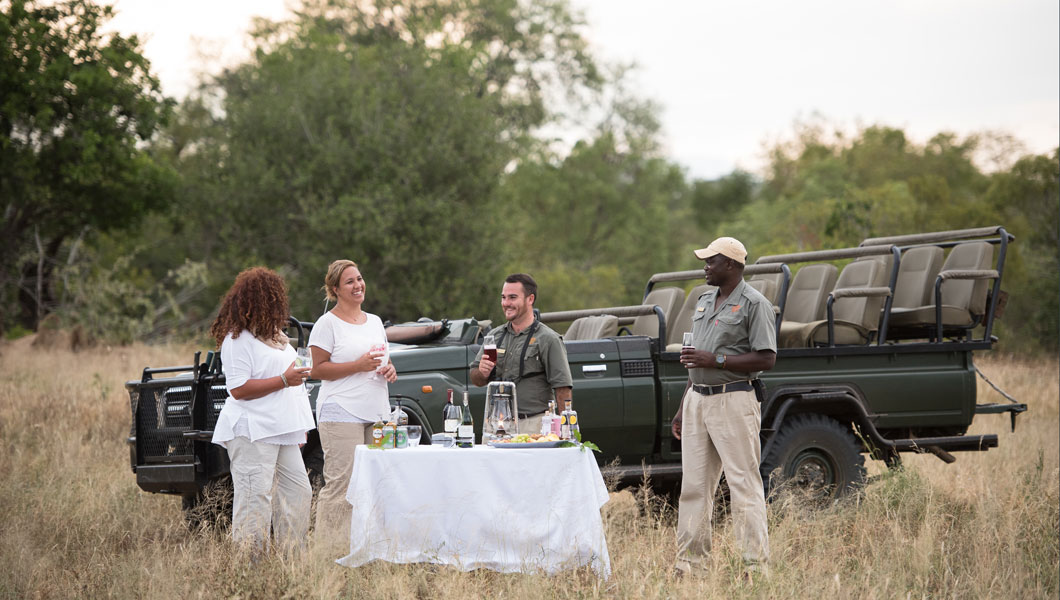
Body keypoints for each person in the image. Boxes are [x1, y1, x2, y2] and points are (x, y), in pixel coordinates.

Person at [670, 237, 777, 580]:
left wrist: (716, 360)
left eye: (710, 261)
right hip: (698, 400)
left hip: (734, 398)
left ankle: (755, 569)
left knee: (743, 485)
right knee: (695, 487)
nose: (705, 267)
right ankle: (690, 567)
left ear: (730, 265)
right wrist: (684, 404)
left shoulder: (754, 304)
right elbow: (695, 357)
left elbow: (767, 357)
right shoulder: (703, 300)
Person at [209, 267, 316, 554]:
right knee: (255, 500)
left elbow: (293, 382)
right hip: (252, 429)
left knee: (298, 494)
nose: (277, 307)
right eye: (270, 301)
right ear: (253, 303)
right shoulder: (237, 341)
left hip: (283, 429)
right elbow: (238, 389)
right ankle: (248, 572)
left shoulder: (277, 337)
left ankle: (291, 564)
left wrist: (299, 424)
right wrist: (283, 380)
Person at [308, 259, 397, 541]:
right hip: (341, 412)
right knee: (342, 485)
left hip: (377, 412)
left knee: (376, 482)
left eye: (359, 279)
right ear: (335, 289)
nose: (358, 285)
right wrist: (357, 366)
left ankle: (369, 548)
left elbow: (384, 359)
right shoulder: (327, 324)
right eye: (350, 282)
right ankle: (329, 556)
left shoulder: (375, 321)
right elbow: (316, 369)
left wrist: (390, 369)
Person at [470, 273, 573, 434]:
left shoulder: (548, 339)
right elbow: (476, 379)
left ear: (530, 299)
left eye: (512, 297)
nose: (506, 303)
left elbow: (562, 387)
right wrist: (482, 372)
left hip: (534, 425)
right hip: (497, 425)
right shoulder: (495, 336)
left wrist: (566, 430)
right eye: (503, 297)